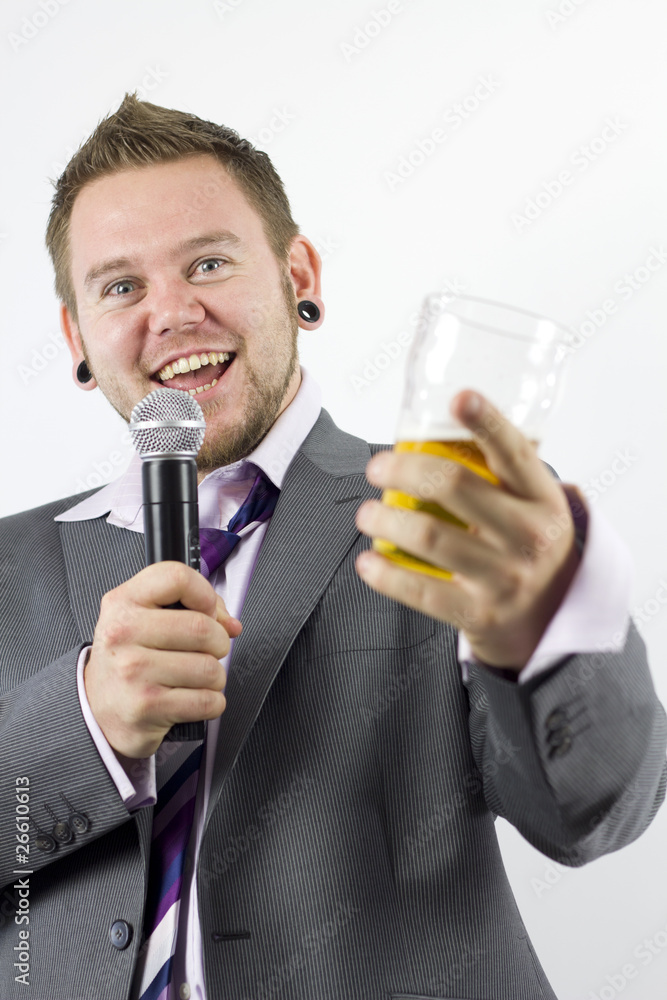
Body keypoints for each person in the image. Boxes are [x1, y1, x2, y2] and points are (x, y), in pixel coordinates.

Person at [0, 93, 664, 1000]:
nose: (174, 312)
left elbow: (592, 815)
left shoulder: (452, 518)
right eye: (121, 287)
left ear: (297, 275)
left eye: (208, 262)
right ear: (78, 336)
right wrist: (87, 724)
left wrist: (549, 633)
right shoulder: (8, 568)